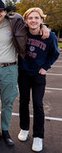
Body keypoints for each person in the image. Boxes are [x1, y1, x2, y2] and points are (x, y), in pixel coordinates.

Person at [0, 0, 49, 146]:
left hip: (9, 68)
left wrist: (44, 27)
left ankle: (5, 131)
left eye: (0, 11)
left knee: (7, 102)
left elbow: (33, 24)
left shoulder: (15, 22)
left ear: (5, 12)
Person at [17, 8, 59, 152]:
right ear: (26, 21)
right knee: (23, 102)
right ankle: (24, 128)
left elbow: (55, 53)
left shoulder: (49, 36)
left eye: (36, 18)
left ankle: (38, 136)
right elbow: (10, 22)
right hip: (23, 73)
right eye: (30, 18)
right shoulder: (22, 33)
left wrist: (45, 67)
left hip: (38, 75)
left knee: (38, 104)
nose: (33, 20)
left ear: (41, 20)